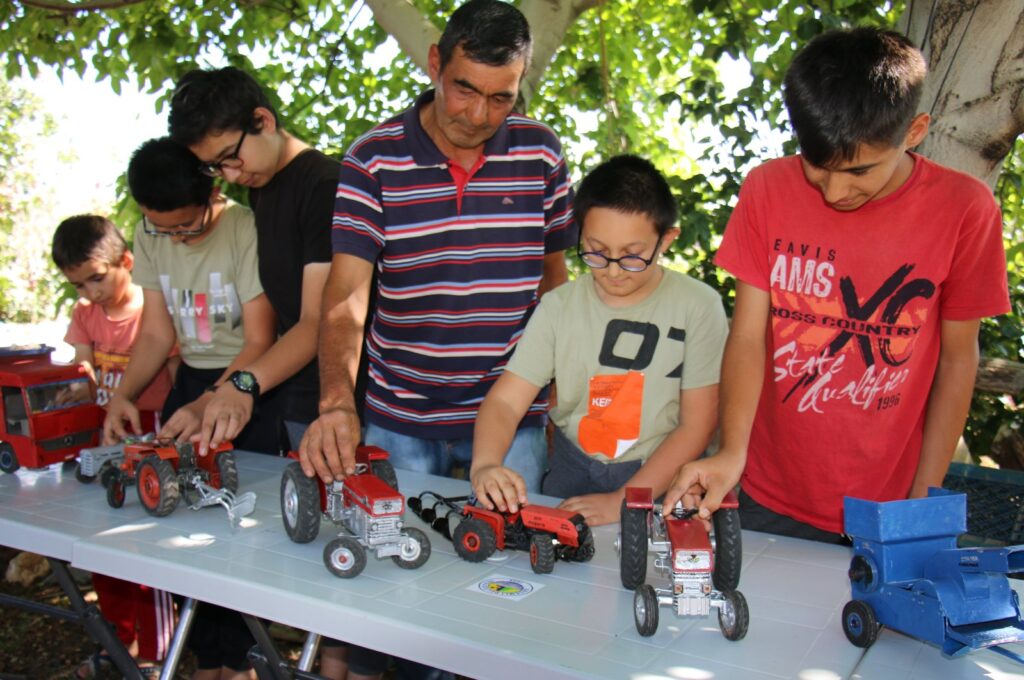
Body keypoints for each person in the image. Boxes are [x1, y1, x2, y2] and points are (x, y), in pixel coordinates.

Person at [663, 27, 1011, 543]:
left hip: (887, 503)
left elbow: (959, 360)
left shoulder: (966, 210)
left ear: (914, 131)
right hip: (762, 489)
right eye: (817, 167)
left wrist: (925, 492)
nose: (835, 191)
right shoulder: (767, 189)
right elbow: (748, 336)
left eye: (861, 171)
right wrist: (730, 453)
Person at [301, 0, 576, 493]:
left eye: (500, 98)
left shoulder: (542, 152)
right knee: (399, 549)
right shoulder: (372, 160)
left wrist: (557, 386)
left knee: (516, 556)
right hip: (400, 413)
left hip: (514, 410)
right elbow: (346, 296)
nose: (477, 115)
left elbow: (554, 281)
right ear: (435, 64)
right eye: (464, 89)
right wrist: (336, 403)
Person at [470, 154, 728, 526]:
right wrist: (487, 463)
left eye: (632, 256)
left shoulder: (699, 307)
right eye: (596, 251)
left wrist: (621, 501)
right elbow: (507, 401)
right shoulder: (559, 307)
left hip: (660, 477)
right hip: (571, 467)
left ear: (666, 239)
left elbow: (697, 425)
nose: (611, 270)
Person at [105, 137, 278, 680]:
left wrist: (216, 398)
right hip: (193, 390)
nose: (176, 238)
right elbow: (157, 332)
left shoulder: (244, 228)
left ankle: (242, 661)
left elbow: (259, 339)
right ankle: (204, 659)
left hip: (250, 387)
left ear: (214, 190)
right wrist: (124, 394)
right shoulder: (150, 232)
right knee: (181, 526)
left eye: (188, 226)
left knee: (239, 530)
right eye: (163, 228)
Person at [167, 66, 341, 457]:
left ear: (263, 120)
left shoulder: (325, 187)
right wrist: (209, 400)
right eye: (215, 166)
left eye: (231, 156)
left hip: (344, 406)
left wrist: (244, 385)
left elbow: (318, 322)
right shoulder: (260, 191)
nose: (229, 175)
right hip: (295, 399)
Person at [52, 215, 176, 679]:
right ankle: (117, 641)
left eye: (96, 279)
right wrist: (74, 388)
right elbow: (83, 373)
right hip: (105, 433)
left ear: (126, 261)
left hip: (150, 431)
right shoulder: (85, 315)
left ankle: (156, 649)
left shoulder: (153, 311)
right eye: (78, 285)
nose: (89, 293)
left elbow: (177, 377)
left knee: (146, 545)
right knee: (102, 543)